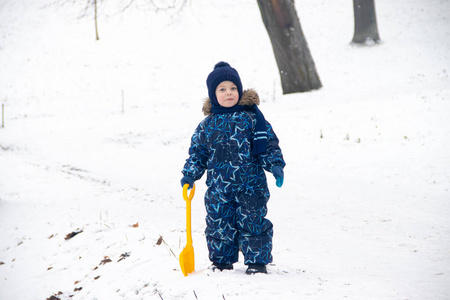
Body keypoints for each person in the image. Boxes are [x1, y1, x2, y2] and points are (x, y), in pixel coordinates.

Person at [180, 61, 285, 275]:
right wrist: (190, 174)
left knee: (253, 221)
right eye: (222, 89)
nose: (229, 93)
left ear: (239, 90)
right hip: (219, 188)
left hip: (251, 186)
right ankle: (222, 261)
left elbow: (268, 145)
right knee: (219, 223)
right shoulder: (207, 126)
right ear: (213, 94)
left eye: (233, 88)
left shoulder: (253, 119)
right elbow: (198, 153)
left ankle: (257, 262)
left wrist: (275, 165)